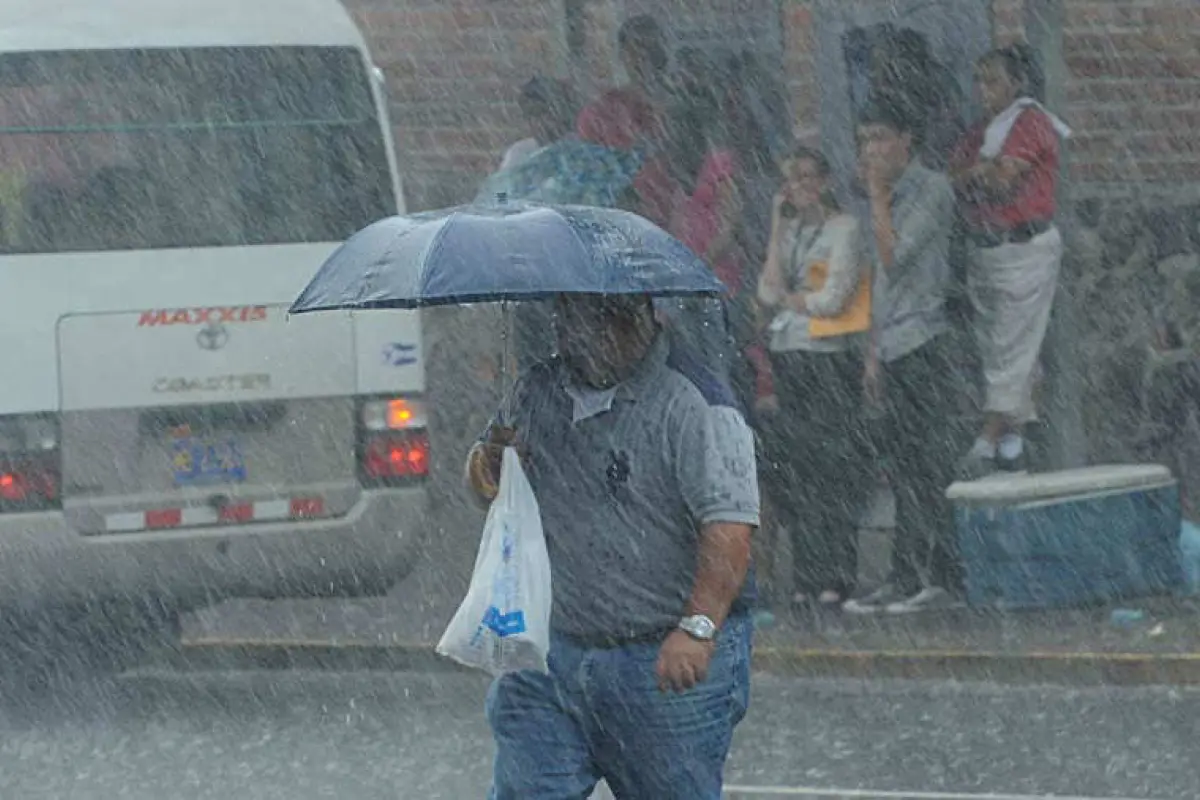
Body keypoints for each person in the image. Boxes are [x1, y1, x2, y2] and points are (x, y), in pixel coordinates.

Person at [464, 292, 759, 799]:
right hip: (552, 657)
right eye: (565, 318)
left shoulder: (697, 403)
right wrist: (491, 461)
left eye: (590, 321)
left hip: (659, 660)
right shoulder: (538, 388)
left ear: (635, 318)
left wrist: (698, 627)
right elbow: (482, 485)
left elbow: (729, 528)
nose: (572, 337)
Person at [842, 102, 964, 615]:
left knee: (927, 461)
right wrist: (871, 354)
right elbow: (877, 280)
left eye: (881, 139)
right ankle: (905, 572)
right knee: (899, 465)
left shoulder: (931, 189)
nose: (872, 151)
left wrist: (874, 195)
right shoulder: (884, 200)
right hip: (890, 344)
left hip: (925, 340)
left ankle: (939, 574)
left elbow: (896, 255)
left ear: (906, 141)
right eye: (865, 140)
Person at [756, 145, 871, 610]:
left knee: (832, 466)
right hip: (790, 353)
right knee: (799, 468)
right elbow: (766, 289)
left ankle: (838, 571)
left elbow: (835, 296)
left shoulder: (843, 228)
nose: (800, 187)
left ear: (823, 182)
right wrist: (776, 224)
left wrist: (796, 299)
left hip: (827, 355)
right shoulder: (792, 232)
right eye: (792, 179)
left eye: (807, 177)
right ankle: (806, 570)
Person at [949, 44, 1071, 477]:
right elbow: (955, 180)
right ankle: (1014, 446)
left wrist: (985, 172)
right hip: (986, 247)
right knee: (998, 347)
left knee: (1013, 344)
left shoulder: (1029, 121)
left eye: (993, 80)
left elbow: (1002, 182)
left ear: (1017, 82)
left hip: (1024, 246)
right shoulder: (982, 129)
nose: (983, 90)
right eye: (979, 80)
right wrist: (980, 171)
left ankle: (987, 439)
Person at [576, 15, 680, 228]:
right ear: (623, 55)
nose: (645, 57)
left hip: (681, 226)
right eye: (637, 49)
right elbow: (588, 174)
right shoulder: (601, 113)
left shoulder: (681, 109)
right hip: (620, 226)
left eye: (653, 49)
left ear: (664, 55)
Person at [498, 76, 578, 172]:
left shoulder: (579, 149)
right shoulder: (520, 153)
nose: (538, 122)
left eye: (545, 113)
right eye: (531, 115)